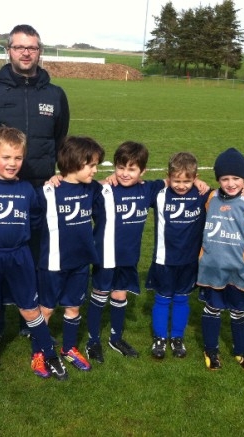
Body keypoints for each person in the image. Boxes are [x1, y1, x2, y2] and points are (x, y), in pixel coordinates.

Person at [0, 23, 70, 341]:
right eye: (20, 47)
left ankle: (33, 323)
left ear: (39, 51)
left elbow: (60, 138)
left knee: (39, 256)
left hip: (42, 191)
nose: (26, 52)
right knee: (0, 258)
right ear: (8, 50)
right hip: (3, 192)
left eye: (32, 47)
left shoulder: (55, 95)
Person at [0, 126, 68, 387]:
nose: (12, 163)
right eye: (6, 157)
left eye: (18, 158)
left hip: (19, 257)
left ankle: (49, 355)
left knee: (31, 310)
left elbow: (35, 219)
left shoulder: (28, 190)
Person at [85, 141, 167, 362]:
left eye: (131, 169)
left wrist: (197, 180)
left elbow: (176, 180)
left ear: (143, 171)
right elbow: (76, 187)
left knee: (120, 294)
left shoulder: (148, 189)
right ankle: (92, 341)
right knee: (100, 295)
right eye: (121, 167)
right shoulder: (103, 190)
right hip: (105, 256)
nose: (125, 173)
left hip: (129, 256)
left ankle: (115, 337)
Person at [197, 147, 244, 372]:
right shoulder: (210, 198)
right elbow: (183, 183)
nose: (230, 183)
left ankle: (241, 352)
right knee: (212, 309)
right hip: (211, 270)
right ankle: (211, 349)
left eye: (236, 178)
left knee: (239, 313)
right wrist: (199, 182)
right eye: (224, 178)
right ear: (218, 179)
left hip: (240, 271)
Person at [37, 136, 105, 372]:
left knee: (73, 307)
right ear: (75, 162)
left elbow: (111, 186)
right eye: (92, 165)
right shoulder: (49, 191)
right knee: (46, 309)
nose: (95, 170)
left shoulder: (92, 189)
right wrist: (55, 178)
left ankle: (68, 348)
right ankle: (40, 352)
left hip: (80, 261)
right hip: (53, 262)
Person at [145, 152, 210, 359]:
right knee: (163, 298)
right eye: (177, 180)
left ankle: (177, 337)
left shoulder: (203, 194)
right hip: (164, 260)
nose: (181, 185)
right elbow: (135, 184)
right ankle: (160, 338)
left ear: (195, 177)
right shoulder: (159, 191)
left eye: (187, 181)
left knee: (182, 299)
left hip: (190, 261)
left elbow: (228, 194)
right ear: (168, 176)